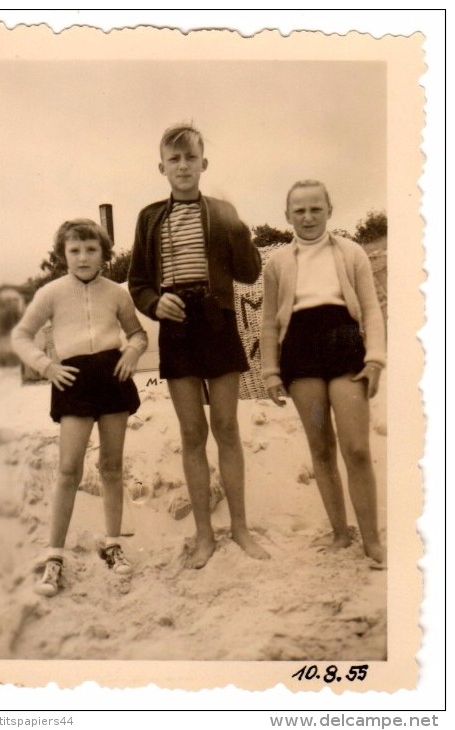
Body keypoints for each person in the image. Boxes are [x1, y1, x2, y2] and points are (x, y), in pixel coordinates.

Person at [128, 123, 270, 568]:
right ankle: (204, 536)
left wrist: (239, 225)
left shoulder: (222, 211)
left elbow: (249, 272)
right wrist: (154, 303)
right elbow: (137, 283)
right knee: (193, 433)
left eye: (191, 158)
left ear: (203, 164)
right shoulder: (150, 217)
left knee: (227, 427)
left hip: (218, 319)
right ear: (162, 167)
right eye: (175, 159)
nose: (183, 166)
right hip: (177, 326)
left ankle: (241, 530)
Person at [12, 218, 148, 596]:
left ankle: (113, 544)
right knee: (69, 469)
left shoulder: (117, 294)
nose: (83, 257)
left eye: (91, 250)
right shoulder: (50, 293)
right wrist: (47, 366)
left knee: (111, 466)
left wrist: (133, 353)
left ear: (104, 254)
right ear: (63, 255)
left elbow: (137, 333)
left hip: (112, 377)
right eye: (75, 250)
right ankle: (54, 556)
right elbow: (21, 336)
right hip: (72, 380)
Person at [261, 180, 386, 567]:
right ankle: (339, 534)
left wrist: (375, 358)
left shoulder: (350, 253)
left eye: (316, 208)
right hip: (300, 350)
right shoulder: (277, 263)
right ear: (287, 216)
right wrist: (270, 371)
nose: (308, 216)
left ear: (329, 210)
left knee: (357, 449)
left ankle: (371, 540)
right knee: (321, 449)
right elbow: (267, 323)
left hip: (344, 344)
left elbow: (371, 308)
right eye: (299, 210)